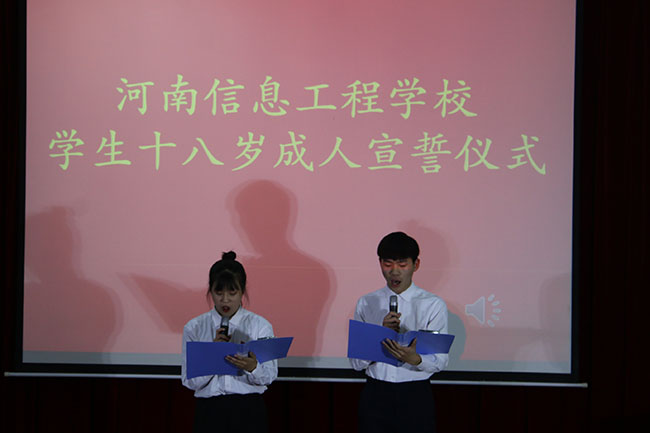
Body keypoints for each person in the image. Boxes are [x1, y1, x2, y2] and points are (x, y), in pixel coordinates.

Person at [350, 232, 449, 433]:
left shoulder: (432, 304)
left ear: (416, 264)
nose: (394, 271)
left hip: (415, 395)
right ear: (380, 263)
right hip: (376, 393)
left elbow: (440, 361)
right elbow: (356, 363)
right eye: (388, 264)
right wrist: (380, 334)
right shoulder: (366, 303)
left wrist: (415, 359)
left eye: (402, 264)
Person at [181, 251, 277, 433]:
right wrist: (212, 355)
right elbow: (189, 382)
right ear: (210, 290)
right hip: (209, 412)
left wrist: (253, 367)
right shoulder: (194, 327)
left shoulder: (261, 326)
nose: (225, 300)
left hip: (248, 410)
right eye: (218, 292)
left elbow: (270, 376)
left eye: (232, 292)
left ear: (242, 291)